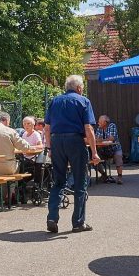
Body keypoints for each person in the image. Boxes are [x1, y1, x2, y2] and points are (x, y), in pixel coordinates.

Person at [44, 74, 100, 233]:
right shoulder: (83, 101)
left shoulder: (54, 101)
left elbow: (47, 128)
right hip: (75, 141)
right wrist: (94, 152)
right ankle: (78, 222)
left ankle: (52, 217)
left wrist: (49, 148)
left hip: (56, 142)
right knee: (80, 182)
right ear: (79, 88)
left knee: (58, 182)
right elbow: (88, 128)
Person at [0, 112, 33, 176]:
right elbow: (25, 147)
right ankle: (16, 185)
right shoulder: (10, 131)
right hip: (7, 168)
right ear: (6, 120)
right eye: (9, 121)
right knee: (24, 165)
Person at [95, 115, 124, 184]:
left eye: (100, 122)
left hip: (114, 149)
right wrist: (101, 140)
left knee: (118, 156)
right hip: (103, 150)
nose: (98, 123)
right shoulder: (99, 128)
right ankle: (104, 175)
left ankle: (120, 177)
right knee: (94, 158)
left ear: (105, 122)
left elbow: (111, 139)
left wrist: (101, 140)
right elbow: (96, 139)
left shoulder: (112, 126)